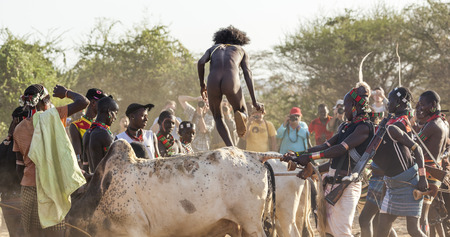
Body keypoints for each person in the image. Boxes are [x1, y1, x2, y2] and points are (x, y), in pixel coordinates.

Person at [281, 82, 374, 237]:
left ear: (354, 106)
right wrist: (297, 156)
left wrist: (309, 158)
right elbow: (325, 145)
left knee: (342, 233)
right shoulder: (345, 126)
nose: (343, 110)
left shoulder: (364, 127)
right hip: (330, 184)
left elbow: (338, 150)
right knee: (327, 231)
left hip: (347, 186)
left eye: (346, 105)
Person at [13, 84, 89, 237]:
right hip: (53, 188)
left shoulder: (18, 128)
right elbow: (83, 102)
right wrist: (65, 93)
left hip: (29, 188)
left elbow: (19, 168)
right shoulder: (54, 116)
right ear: (44, 102)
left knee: (32, 234)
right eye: (49, 102)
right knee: (55, 232)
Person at [360, 87, 424, 237]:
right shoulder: (391, 118)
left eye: (391, 100)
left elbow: (389, 140)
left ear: (400, 103)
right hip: (389, 179)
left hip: (398, 177)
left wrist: (423, 176)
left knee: (412, 229)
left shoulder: (402, 121)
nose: (388, 103)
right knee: (381, 225)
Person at [198, 25, 264, 146]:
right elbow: (247, 73)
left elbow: (201, 62)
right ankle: (241, 114)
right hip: (231, 80)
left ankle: (231, 146)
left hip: (212, 80)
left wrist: (202, 85)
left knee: (218, 117)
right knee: (242, 110)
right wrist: (254, 101)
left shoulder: (213, 48)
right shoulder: (240, 50)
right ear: (240, 40)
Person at [415, 90, 449, 235]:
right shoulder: (443, 123)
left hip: (428, 174)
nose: (421, 107)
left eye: (423, 105)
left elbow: (414, 144)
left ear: (433, 104)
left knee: (422, 217)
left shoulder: (432, 125)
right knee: (431, 216)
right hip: (435, 173)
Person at [0, 107, 27, 237]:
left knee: (13, 234)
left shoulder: (2, 145)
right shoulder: (24, 144)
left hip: (6, 199)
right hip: (23, 199)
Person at [69, 88, 107, 168]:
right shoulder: (76, 126)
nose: (105, 106)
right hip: (87, 174)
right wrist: (83, 175)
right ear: (93, 103)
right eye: (102, 103)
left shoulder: (104, 126)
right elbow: (78, 156)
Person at [85, 96, 119, 173]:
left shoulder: (87, 133)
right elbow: (114, 162)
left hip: (92, 181)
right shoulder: (104, 134)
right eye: (115, 113)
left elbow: (85, 165)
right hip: (104, 182)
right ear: (110, 112)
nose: (115, 118)